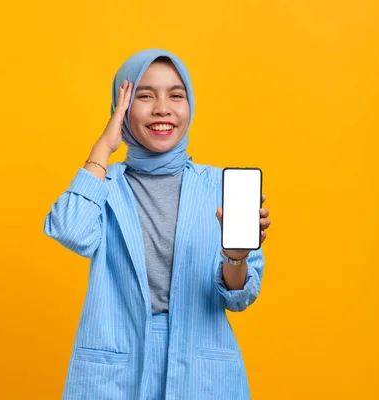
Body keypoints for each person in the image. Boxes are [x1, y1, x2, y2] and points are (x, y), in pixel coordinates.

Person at [44, 48, 271, 399]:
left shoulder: (219, 186)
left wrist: (236, 255)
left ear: (190, 105)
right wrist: (103, 146)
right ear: (122, 108)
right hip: (118, 368)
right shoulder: (105, 184)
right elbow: (71, 228)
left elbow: (240, 297)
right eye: (145, 95)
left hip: (201, 369)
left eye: (176, 95)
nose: (162, 108)